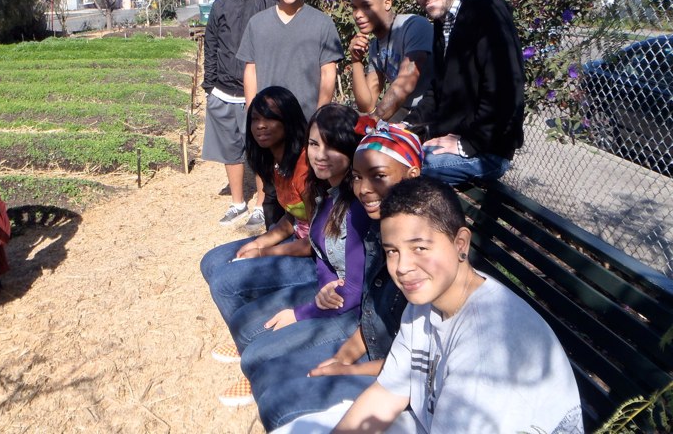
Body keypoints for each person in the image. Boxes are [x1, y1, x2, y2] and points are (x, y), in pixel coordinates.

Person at [277, 177, 583, 434]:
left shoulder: (487, 346)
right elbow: (388, 393)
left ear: (460, 243)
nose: (402, 267)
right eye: (392, 251)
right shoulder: (425, 302)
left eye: (420, 248)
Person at [252, 120, 424, 431]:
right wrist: (343, 357)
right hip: (370, 343)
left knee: (277, 396)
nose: (364, 189)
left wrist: (348, 367)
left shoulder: (421, 253)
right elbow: (371, 310)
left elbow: (416, 362)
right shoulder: (377, 231)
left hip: (397, 376)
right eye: (357, 177)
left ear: (412, 175)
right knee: (266, 371)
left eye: (378, 176)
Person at [222, 104, 370, 405]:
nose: (319, 155)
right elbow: (322, 252)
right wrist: (325, 286)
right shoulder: (325, 192)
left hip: (354, 315)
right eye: (314, 144)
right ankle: (261, 371)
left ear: (351, 149)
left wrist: (301, 313)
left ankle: (266, 378)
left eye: (332, 146)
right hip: (331, 296)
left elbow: (356, 291)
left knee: (256, 353)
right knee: (248, 329)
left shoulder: (357, 207)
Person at [403, 0, 525, 185]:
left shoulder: (486, 9)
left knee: (396, 168)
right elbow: (438, 88)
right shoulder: (445, 17)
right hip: (453, 140)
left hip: (486, 152)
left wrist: (468, 144)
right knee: (384, 150)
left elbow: (506, 90)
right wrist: (408, 125)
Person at [201, 87, 315, 330]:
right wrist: (259, 243)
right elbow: (292, 218)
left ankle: (253, 337)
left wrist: (264, 253)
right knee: (211, 261)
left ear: (288, 120)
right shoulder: (276, 162)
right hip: (297, 239)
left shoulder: (305, 168)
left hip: (317, 257)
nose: (260, 126)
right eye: (255, 119)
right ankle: (249, 328)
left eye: (270, 118)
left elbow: (316, 242)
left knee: (225, 283)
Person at [202, 0, 277, 229]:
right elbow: (211, 43)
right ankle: (237, 202)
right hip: (223, 89)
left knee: (260, 149)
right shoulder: (221, 4)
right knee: (230, 150)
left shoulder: (271, 4)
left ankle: (261, 205)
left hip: (256, 92)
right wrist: (210, 85)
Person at [237, 0, 344, 121]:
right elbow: (251, 72)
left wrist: (318, 120)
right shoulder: (257, 23)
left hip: (306, 121)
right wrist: (253, 116)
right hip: (267, 122)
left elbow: (328, 73)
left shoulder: (322, 23)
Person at [349, 0, 434, 122]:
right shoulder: (375, 46)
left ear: (387, 3)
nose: (358, 15)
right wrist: (356, 60)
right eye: (354, 8)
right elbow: (366, 105)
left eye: (366, 6)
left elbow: (405, 84)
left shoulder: (413, 26)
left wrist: (373, 122)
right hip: (406, 113)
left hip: (433, 113)